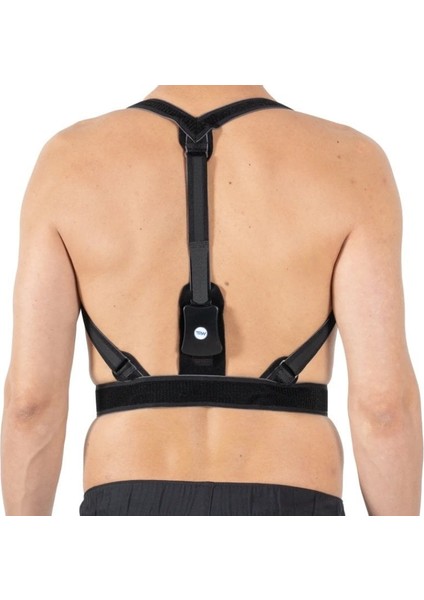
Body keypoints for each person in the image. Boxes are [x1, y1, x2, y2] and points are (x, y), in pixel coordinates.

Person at [1, 85, 422, 516]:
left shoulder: (68, 160)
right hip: (291, 491)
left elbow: (30, 406)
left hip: (126, 492)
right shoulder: (350, 161)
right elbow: (384, 409)